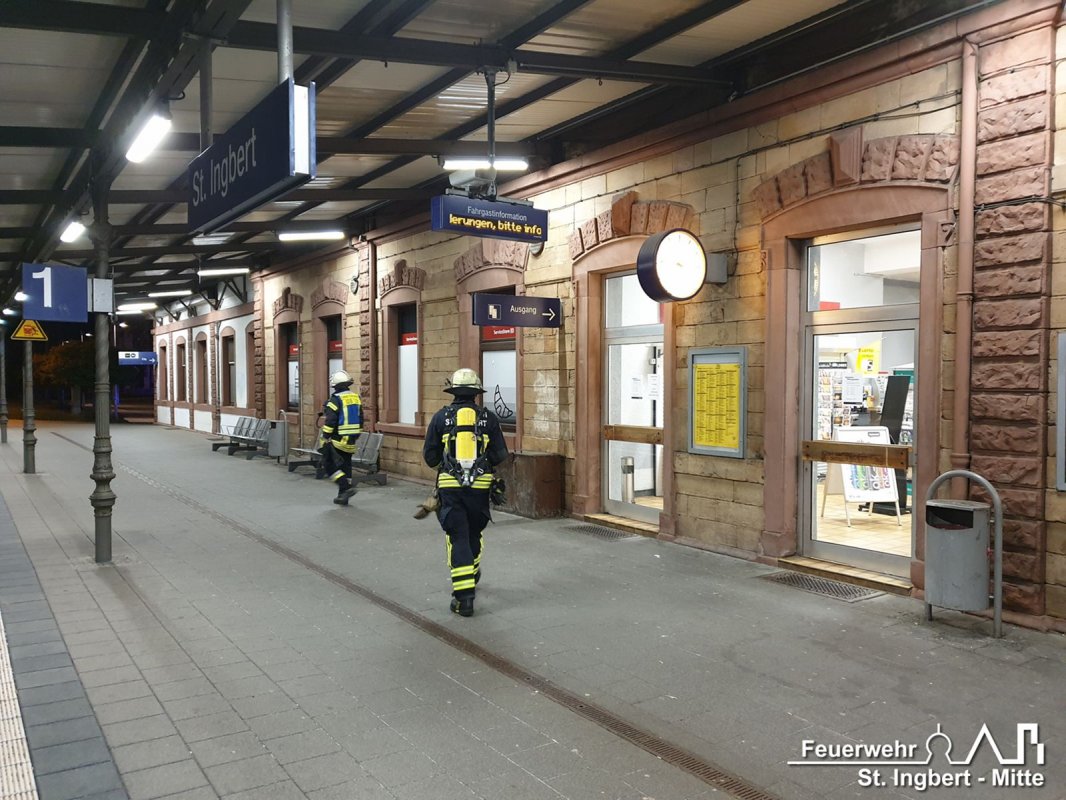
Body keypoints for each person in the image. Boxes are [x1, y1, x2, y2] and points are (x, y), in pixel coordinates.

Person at [422, 368, 508, 617]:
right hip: (480, 487)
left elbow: (430, 457)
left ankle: (464, 600)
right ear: (475, 393)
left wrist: (446, 460)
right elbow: (500, 455)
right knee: (474, 531)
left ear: (454, 392)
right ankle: (471, 568)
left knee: (457, 535)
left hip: (451, 486)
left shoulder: (441, 417)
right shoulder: (488, 418)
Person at [320, 370, 362, 505]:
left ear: (335, 386)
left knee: (329, 465)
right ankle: (343, 497)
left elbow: (331, 421)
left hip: (338, 439)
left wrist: (325, 437)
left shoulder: (335, 399)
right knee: (346, 466)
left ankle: (345, 487)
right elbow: (361, 417)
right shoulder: (356, 397)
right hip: (352, 439)